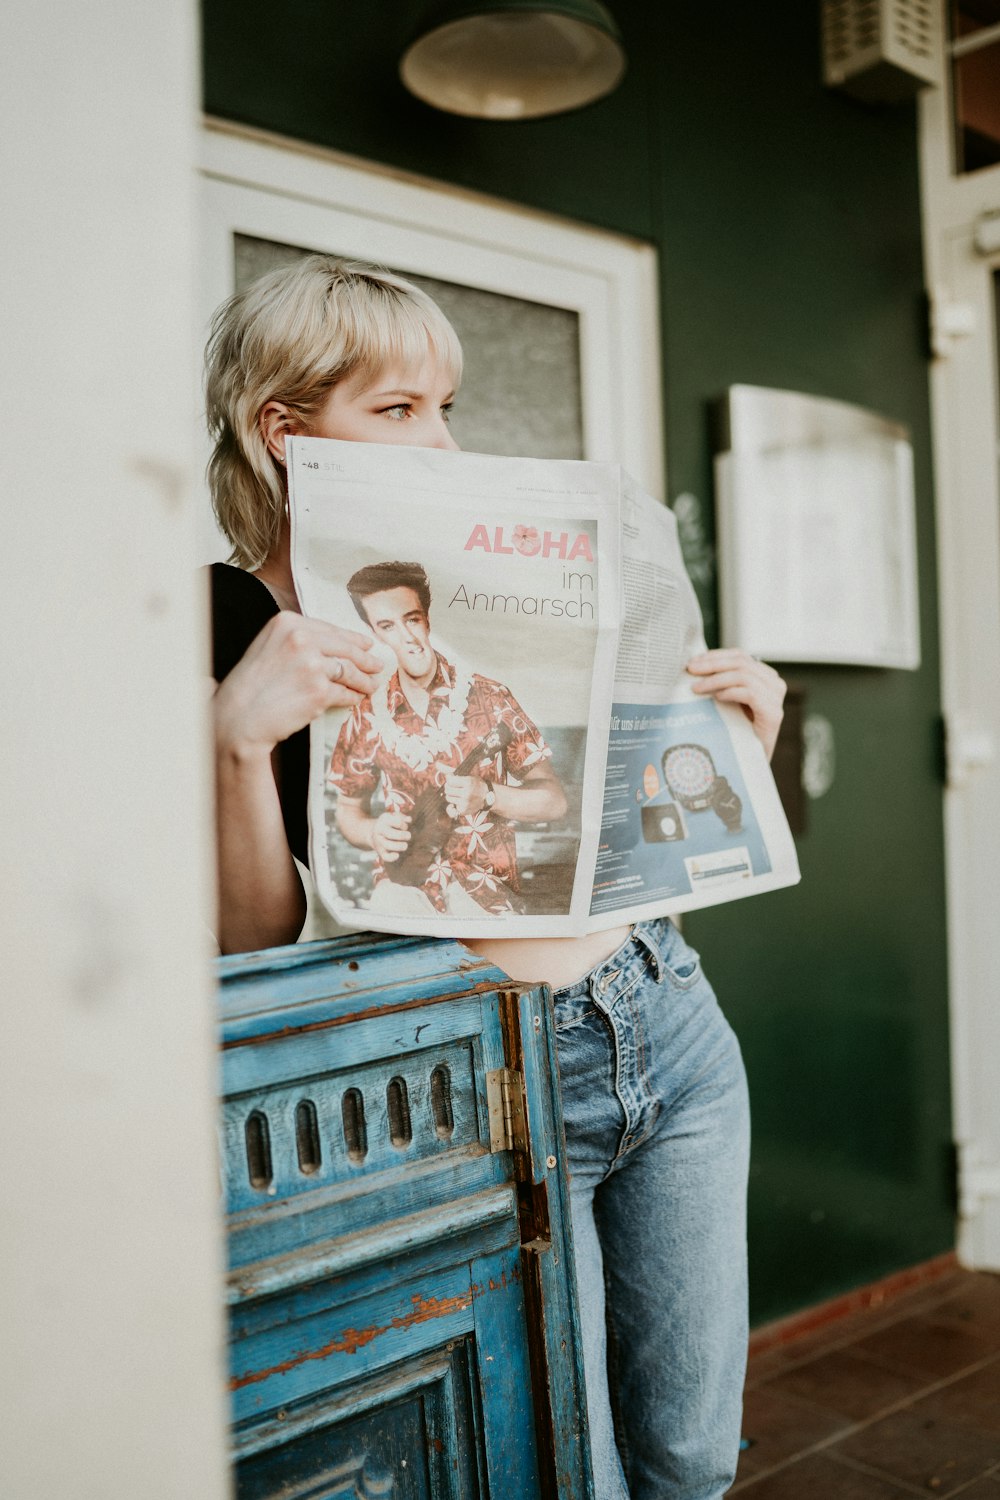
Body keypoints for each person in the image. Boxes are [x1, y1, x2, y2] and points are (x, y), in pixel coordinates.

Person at [206, 255, 786, 1500]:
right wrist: (237, 740)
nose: (442, 440)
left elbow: (601, 821)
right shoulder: (218, 625)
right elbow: (250, 942)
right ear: (285, 428)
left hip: (665, 1008)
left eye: (448, 406)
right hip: (488, 1068)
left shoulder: (484, 593)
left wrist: (734, 746)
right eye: (398, 408)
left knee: (690, 1457)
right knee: (567, 1469)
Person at [329, 559, 567, 917]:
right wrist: (372, 831)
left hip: (485, 894)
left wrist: (488, 795)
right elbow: (349, 811)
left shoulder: (490, 696)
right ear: (373, 631)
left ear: (426, 617)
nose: (407, 637)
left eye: (412, 619)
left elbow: (554, 802)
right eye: (387, 626)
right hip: (403, 890)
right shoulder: (366, 713)